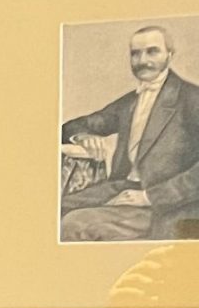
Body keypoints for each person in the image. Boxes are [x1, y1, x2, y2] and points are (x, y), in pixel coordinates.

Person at [59, 25, 199, 241]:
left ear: (170, 55)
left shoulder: (192, 99)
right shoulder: (130, 102)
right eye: (135, 53)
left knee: (73, 224)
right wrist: (83, 137)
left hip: (168, 206)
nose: (142, 60)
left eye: (152, 51)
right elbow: (71, 126)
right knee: (55, 208)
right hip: (123, 187)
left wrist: (148, 197)